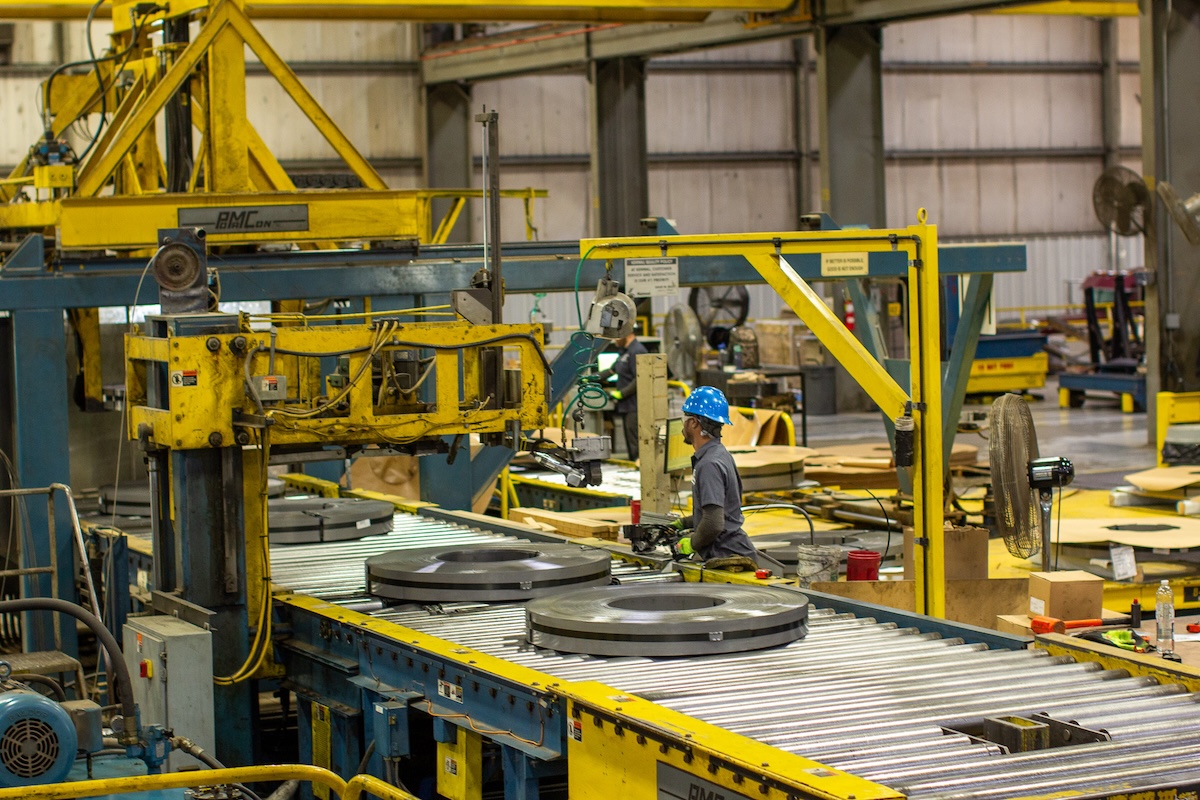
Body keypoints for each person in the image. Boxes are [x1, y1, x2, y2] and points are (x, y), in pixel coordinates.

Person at [674, 386, 758, 568]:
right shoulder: (718, 454)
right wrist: (682, 523)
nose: (683, 424)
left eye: (685, 419)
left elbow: (713, 523)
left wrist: (691, 544)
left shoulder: (709, 464)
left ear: (694, 423)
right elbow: (719, 511)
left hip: (727, 557)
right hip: (729, 551)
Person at [598, 331, 648, 461]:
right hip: (626, 405)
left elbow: (640, 378)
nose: (614, 340)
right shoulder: (624, 352)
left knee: (636, 444)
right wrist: (592, 378)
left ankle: (640, 469)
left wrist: (622, 393)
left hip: (635, 405)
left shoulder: (637, 351)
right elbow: (611, 371)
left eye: (616, 337)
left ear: (626, 333)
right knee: (630, 443)